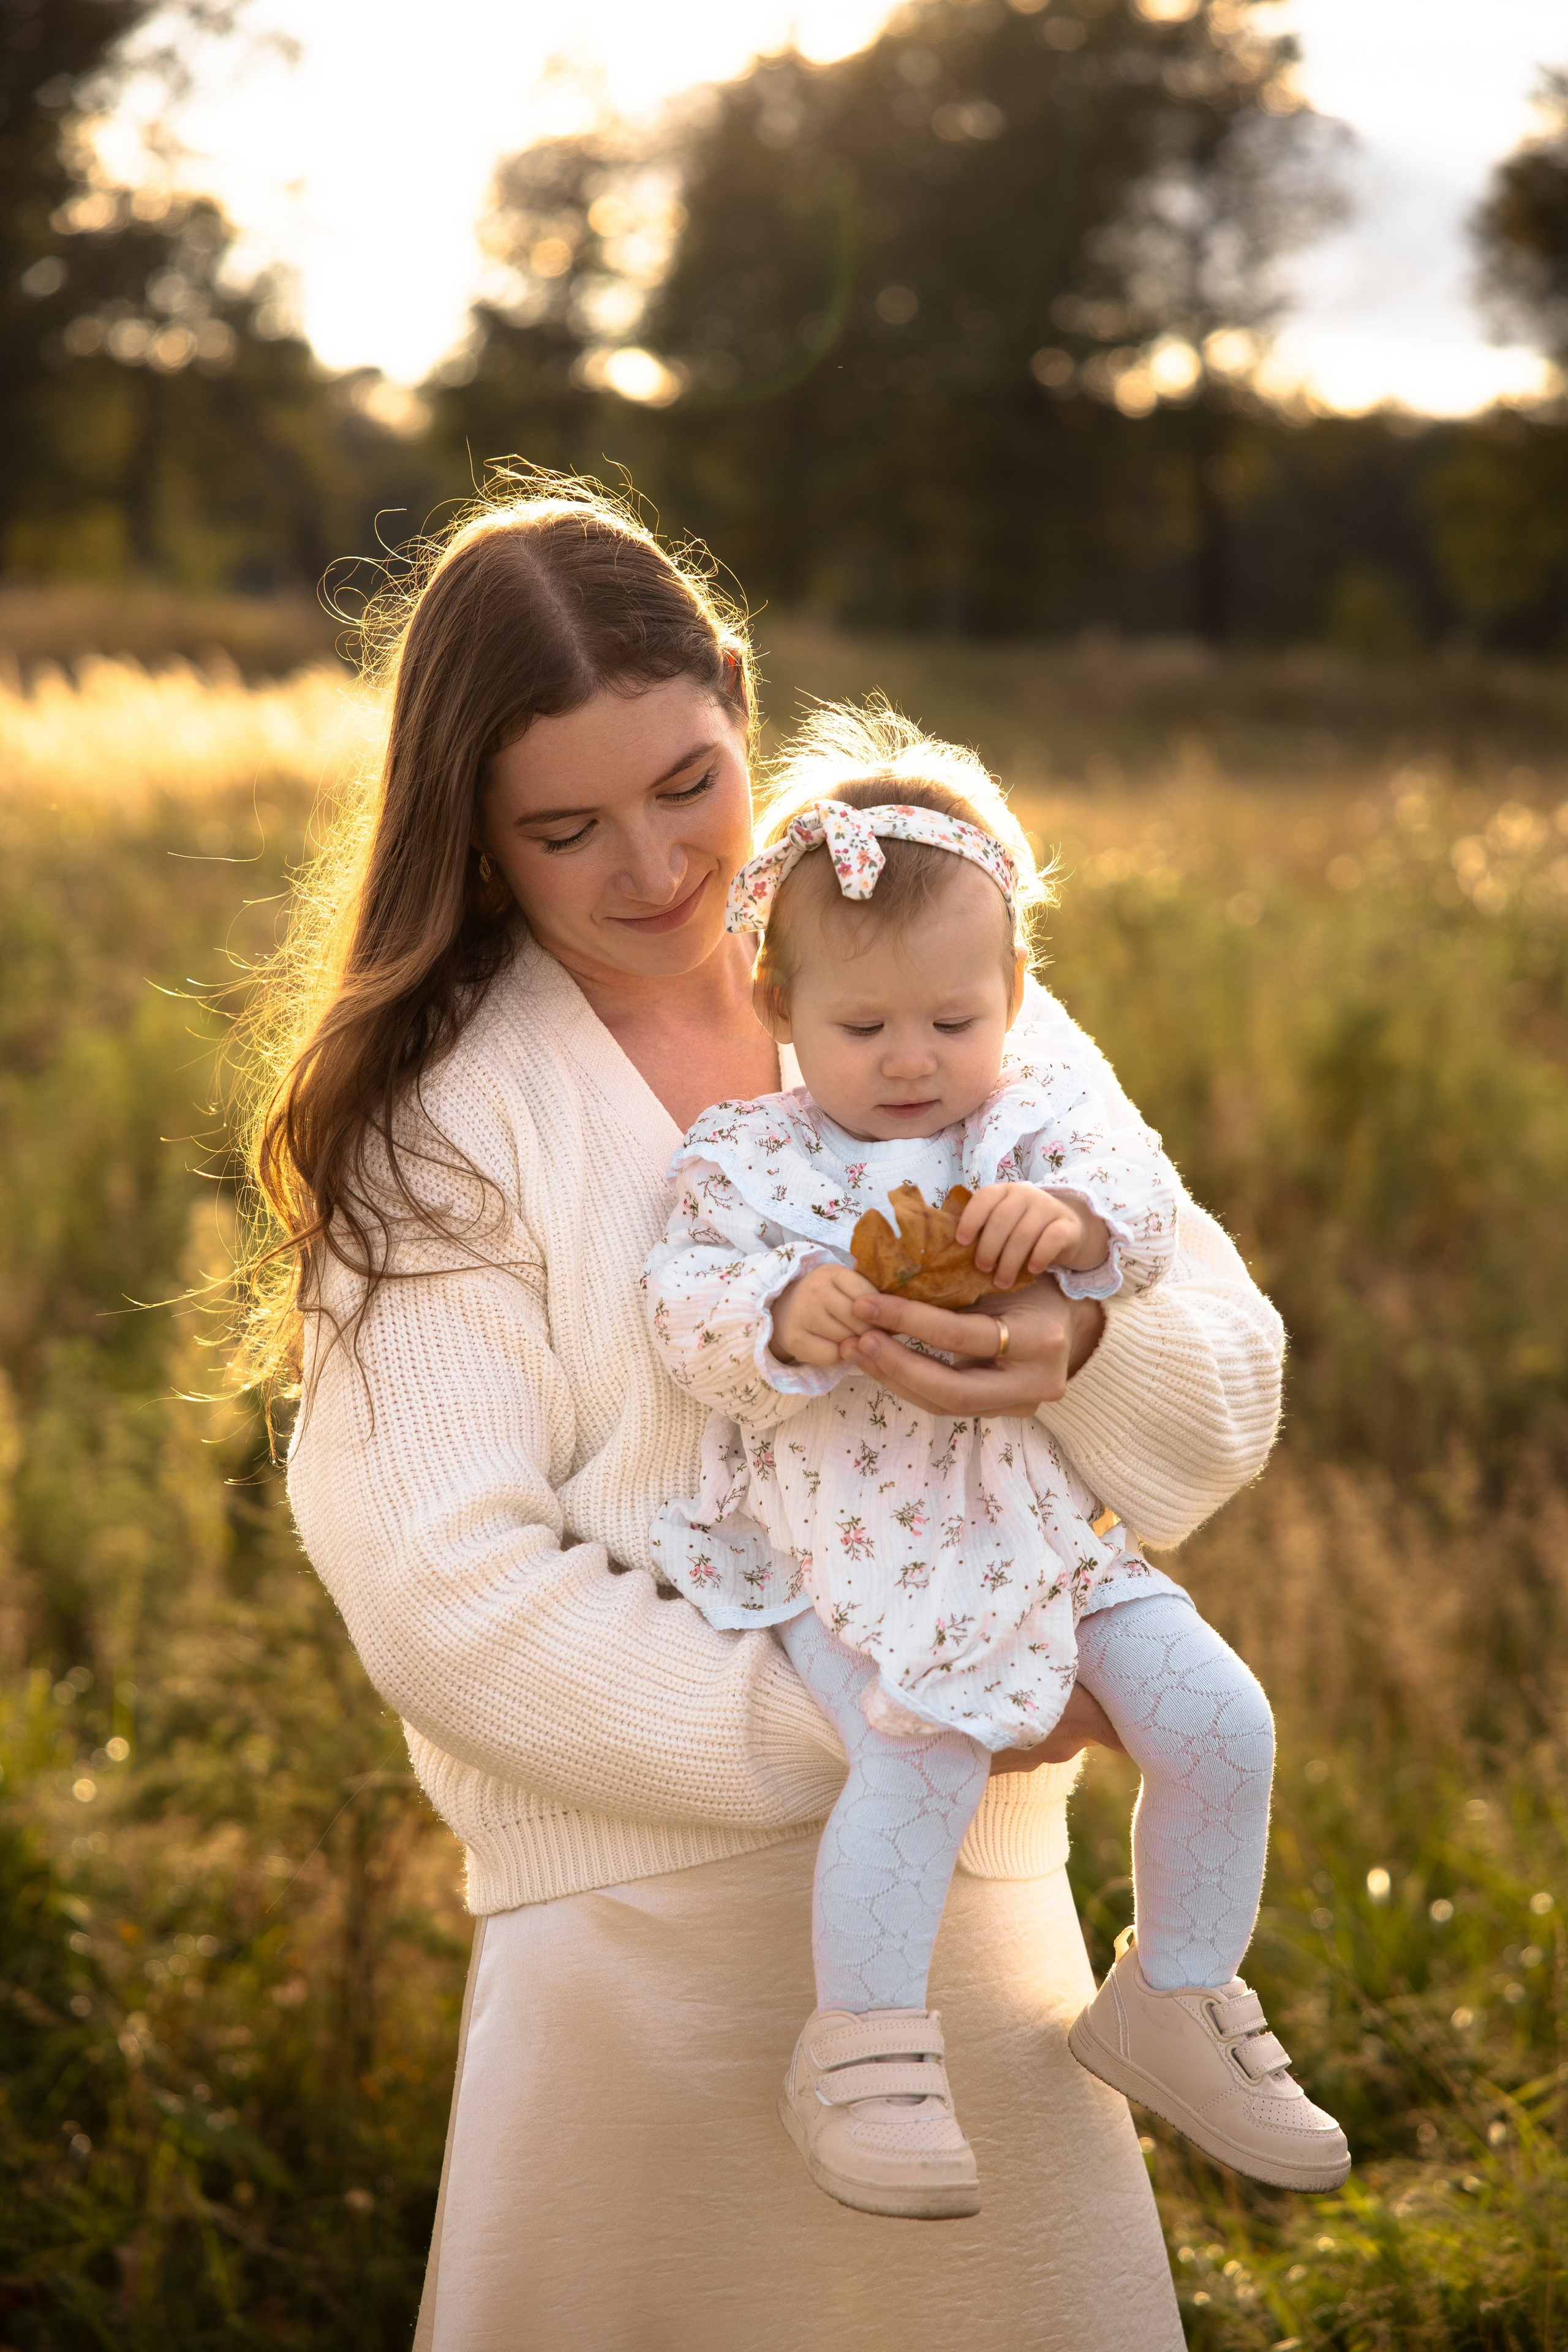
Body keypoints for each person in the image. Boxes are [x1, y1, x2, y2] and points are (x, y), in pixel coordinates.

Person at [247, 473, 1288, 2351]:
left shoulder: (926, 984)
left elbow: (1226, 1384)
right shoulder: (445, 1123)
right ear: (472, 838)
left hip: (982, 1923)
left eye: (688, 786)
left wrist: (1080, 1339)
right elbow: (442, 1592)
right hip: (643, 1957)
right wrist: (898, 1712)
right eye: (564, 829)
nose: (654, 868)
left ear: (741, 697)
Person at [644, 717, 1350, 2220]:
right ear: (780, 1008)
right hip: (850, 1542)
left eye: (952, 1022)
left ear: (1013, 999)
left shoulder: (1031, 1117)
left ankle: (1173, 1994)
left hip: (1038, 1531)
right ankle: (866, 2054)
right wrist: (777, 1310)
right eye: (862, 1029)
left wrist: (1075, 1241)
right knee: (920, 1752)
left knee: (1220, 1719)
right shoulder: (746, 1161)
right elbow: (679, 1309)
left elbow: (1144, 1209)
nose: (912, 1063)